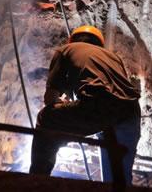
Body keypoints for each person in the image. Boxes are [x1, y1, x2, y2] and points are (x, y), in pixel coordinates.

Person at [29, 25, 141, 185]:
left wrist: (63, 109)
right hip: (132, 112)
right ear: (99, 44)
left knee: (46, 118)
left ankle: (35, 182)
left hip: (97, 105)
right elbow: (116, 95)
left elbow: (50, 98)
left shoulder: (66, 50)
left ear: (72, 39)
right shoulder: (114, 57)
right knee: (118, 179)